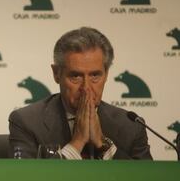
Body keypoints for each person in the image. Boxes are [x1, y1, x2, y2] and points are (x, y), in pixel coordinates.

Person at [9, 27, 152, 159]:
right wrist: (77, 142)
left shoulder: (131, 126)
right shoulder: (27, 122)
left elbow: (146, 177)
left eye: (95, 75)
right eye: (75, 76)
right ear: (56, 74)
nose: (86, 88)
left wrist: (104, 145)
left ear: (106, 74)